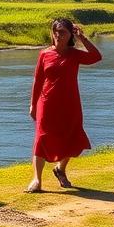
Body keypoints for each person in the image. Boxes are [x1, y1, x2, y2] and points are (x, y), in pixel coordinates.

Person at [26, 17, 102, 193]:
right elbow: (38, 80)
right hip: (46, 102)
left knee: (72, 137)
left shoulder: (75, 54)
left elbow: (96, 57)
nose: (58, 35)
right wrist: (33, 104)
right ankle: (37, 180)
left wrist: (82, 38)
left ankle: (60, 169)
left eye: (63, 32)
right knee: (42, 139)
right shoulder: (44, 54)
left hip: (70, 103)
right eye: (56, 31)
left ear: (70, 35)